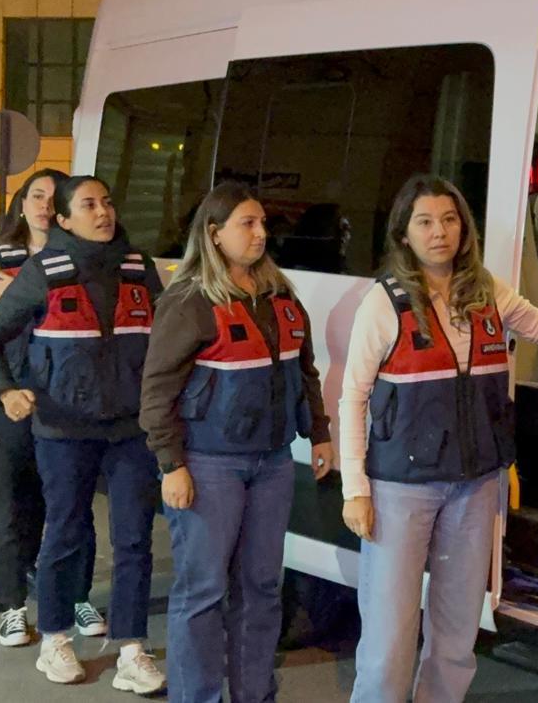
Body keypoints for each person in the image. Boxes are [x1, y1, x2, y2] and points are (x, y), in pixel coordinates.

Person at [340, 174, 538, 703]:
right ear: (404, 234)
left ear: (463, 228)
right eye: (425, 222)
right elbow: (353, 397)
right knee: (389, 640)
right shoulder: (383, 303)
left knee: (458, 633)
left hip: (475, 485)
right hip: (401, 488)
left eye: (449, 219)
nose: (439, 232)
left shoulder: (487, 292)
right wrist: (356, 490)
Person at [0, 175, 166, 695]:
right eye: (88, 205)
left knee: (134, 540)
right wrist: (4, 391)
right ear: (63, 219)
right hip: (63, 428)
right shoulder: (45, 271)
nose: (103, 212)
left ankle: (131, 650)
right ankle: (55, 639)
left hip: (131, 429)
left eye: (107, 202)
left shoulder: (139, 268)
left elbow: (167, 340)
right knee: (65, 532)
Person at [139, 181, 337, 703]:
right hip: (208, 464)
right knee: (203, 592)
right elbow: (156, 390)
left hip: (272, 463)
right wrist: (171, 464)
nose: (260, 233)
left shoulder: (280, 295)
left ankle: (255, 695)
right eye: (247, 224)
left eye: (262, 223)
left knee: (262, 589)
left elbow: (305, 370)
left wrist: (320, 432)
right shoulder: (189, 300)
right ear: (213, 233)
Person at [0, 169, 105, 642]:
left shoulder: (79, 261)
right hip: (3, 399)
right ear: (21, 203)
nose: (44, 206)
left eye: (53, 198)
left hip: (58, 403)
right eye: (36, 196)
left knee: (51, 498)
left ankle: (48, 582)